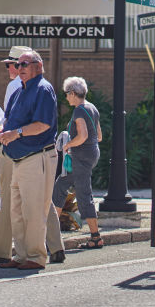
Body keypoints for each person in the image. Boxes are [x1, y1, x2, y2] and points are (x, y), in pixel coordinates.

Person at [0, 46, 64, 265]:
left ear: (38, 67)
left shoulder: (43, 89)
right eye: (17, 64)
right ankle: (22, 255)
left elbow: (43, 125)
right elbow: (8, 119)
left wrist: (15, 133)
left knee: (34, 211)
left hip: (37, 156)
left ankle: (36, 256)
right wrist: (0, 129)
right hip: (17, 158)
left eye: (23, 64)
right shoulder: (19, 90)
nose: (19, 68)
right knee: (16, 210)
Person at [52, 76, 104, 250]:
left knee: (83, 195)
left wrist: (68, 145)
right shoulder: (92, 108)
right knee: (60, 186)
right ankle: (51, 232)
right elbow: (99, 136)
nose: (66, 97)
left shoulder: (79, 111)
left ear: (73, 93)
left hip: (80, 157)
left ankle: (95, 237)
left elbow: (82, 136)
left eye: (67, 94)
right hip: (91, 154)